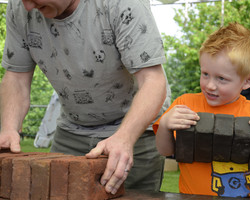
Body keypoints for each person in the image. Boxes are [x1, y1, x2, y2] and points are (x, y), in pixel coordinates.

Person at [0, 0, 171, 195]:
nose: (28, 6)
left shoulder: (122, 3)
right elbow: (16, 77)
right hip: (71, 129)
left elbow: (153, 81)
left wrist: (124, 138)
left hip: (134, 131)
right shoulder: (19, 6)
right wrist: (8, 128)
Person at [153, 22, 250, 199]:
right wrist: (165, 125)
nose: (210, 85)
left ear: (247, 82)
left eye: (221, 78)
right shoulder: (185, 104)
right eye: (205, 74)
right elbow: (165, 151)